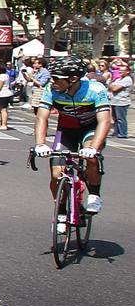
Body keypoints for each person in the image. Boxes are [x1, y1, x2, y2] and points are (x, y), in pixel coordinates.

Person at [34, 56, 113, 220]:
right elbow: (42, 117)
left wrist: (93, 148)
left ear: (74, 78)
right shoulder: (51, 90)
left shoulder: (95, 89)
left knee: (92, 156)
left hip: (90, 129)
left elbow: (105, 121)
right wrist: (40, 144)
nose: (52, 81)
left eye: (56, 78)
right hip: (66, 130)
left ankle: (94, 195)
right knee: (56, 174)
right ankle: (61, 208)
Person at [108, 56, 131, 139]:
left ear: (127, 72)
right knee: (115, 118)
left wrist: (113, 86)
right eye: (119, 70)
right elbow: (110, 86)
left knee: (121, 118)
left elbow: (114, 88)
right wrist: (112, 84)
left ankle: (123, 133)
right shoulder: (118, 79)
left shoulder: (127, 79)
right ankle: (116, 132)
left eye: (123, 71)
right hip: (114, 101)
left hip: (122, 102)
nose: (120, 72)